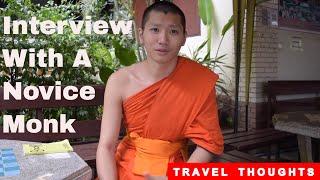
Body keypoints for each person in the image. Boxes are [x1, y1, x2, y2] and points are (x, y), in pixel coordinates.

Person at [96, 1, 224, 180]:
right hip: (127, 167)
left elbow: (208, 144)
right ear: (141, 34)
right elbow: (106, 146)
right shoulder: (119, 81)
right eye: (155, 30)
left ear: (183, 37)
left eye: (173, 31)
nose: (163, 40)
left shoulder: (198, 81)